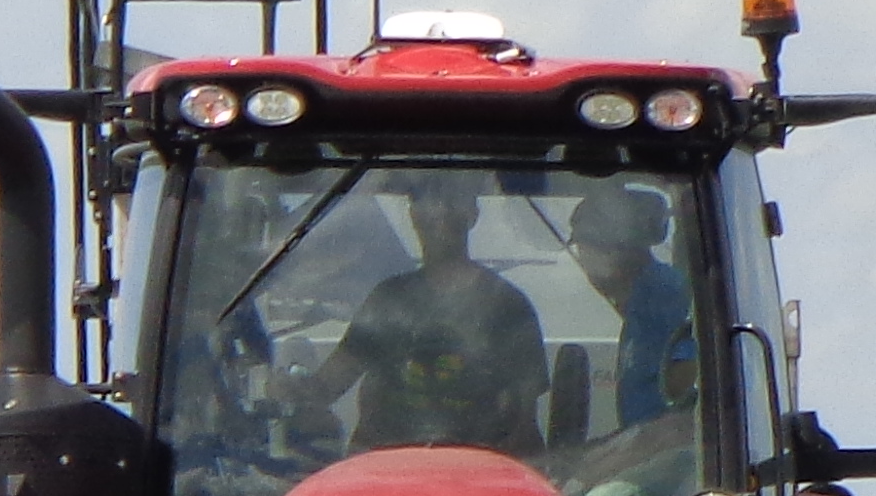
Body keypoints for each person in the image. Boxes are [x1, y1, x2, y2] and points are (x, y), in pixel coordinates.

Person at [297, 173, 549, 456]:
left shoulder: (508, 306)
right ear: (412, 214)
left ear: (472, 213)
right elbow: (331, 383)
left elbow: (524, 424)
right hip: (384, 469)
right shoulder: (387, 299)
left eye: (452, 201)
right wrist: (293, 390)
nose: (439, 210)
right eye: (426, 200)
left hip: (474, 470)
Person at [569, 183, 698, 431]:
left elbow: (688, 389)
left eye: (586, 246)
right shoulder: (637, 299)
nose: (583, 259)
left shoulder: (666, 293)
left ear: (616, 247)